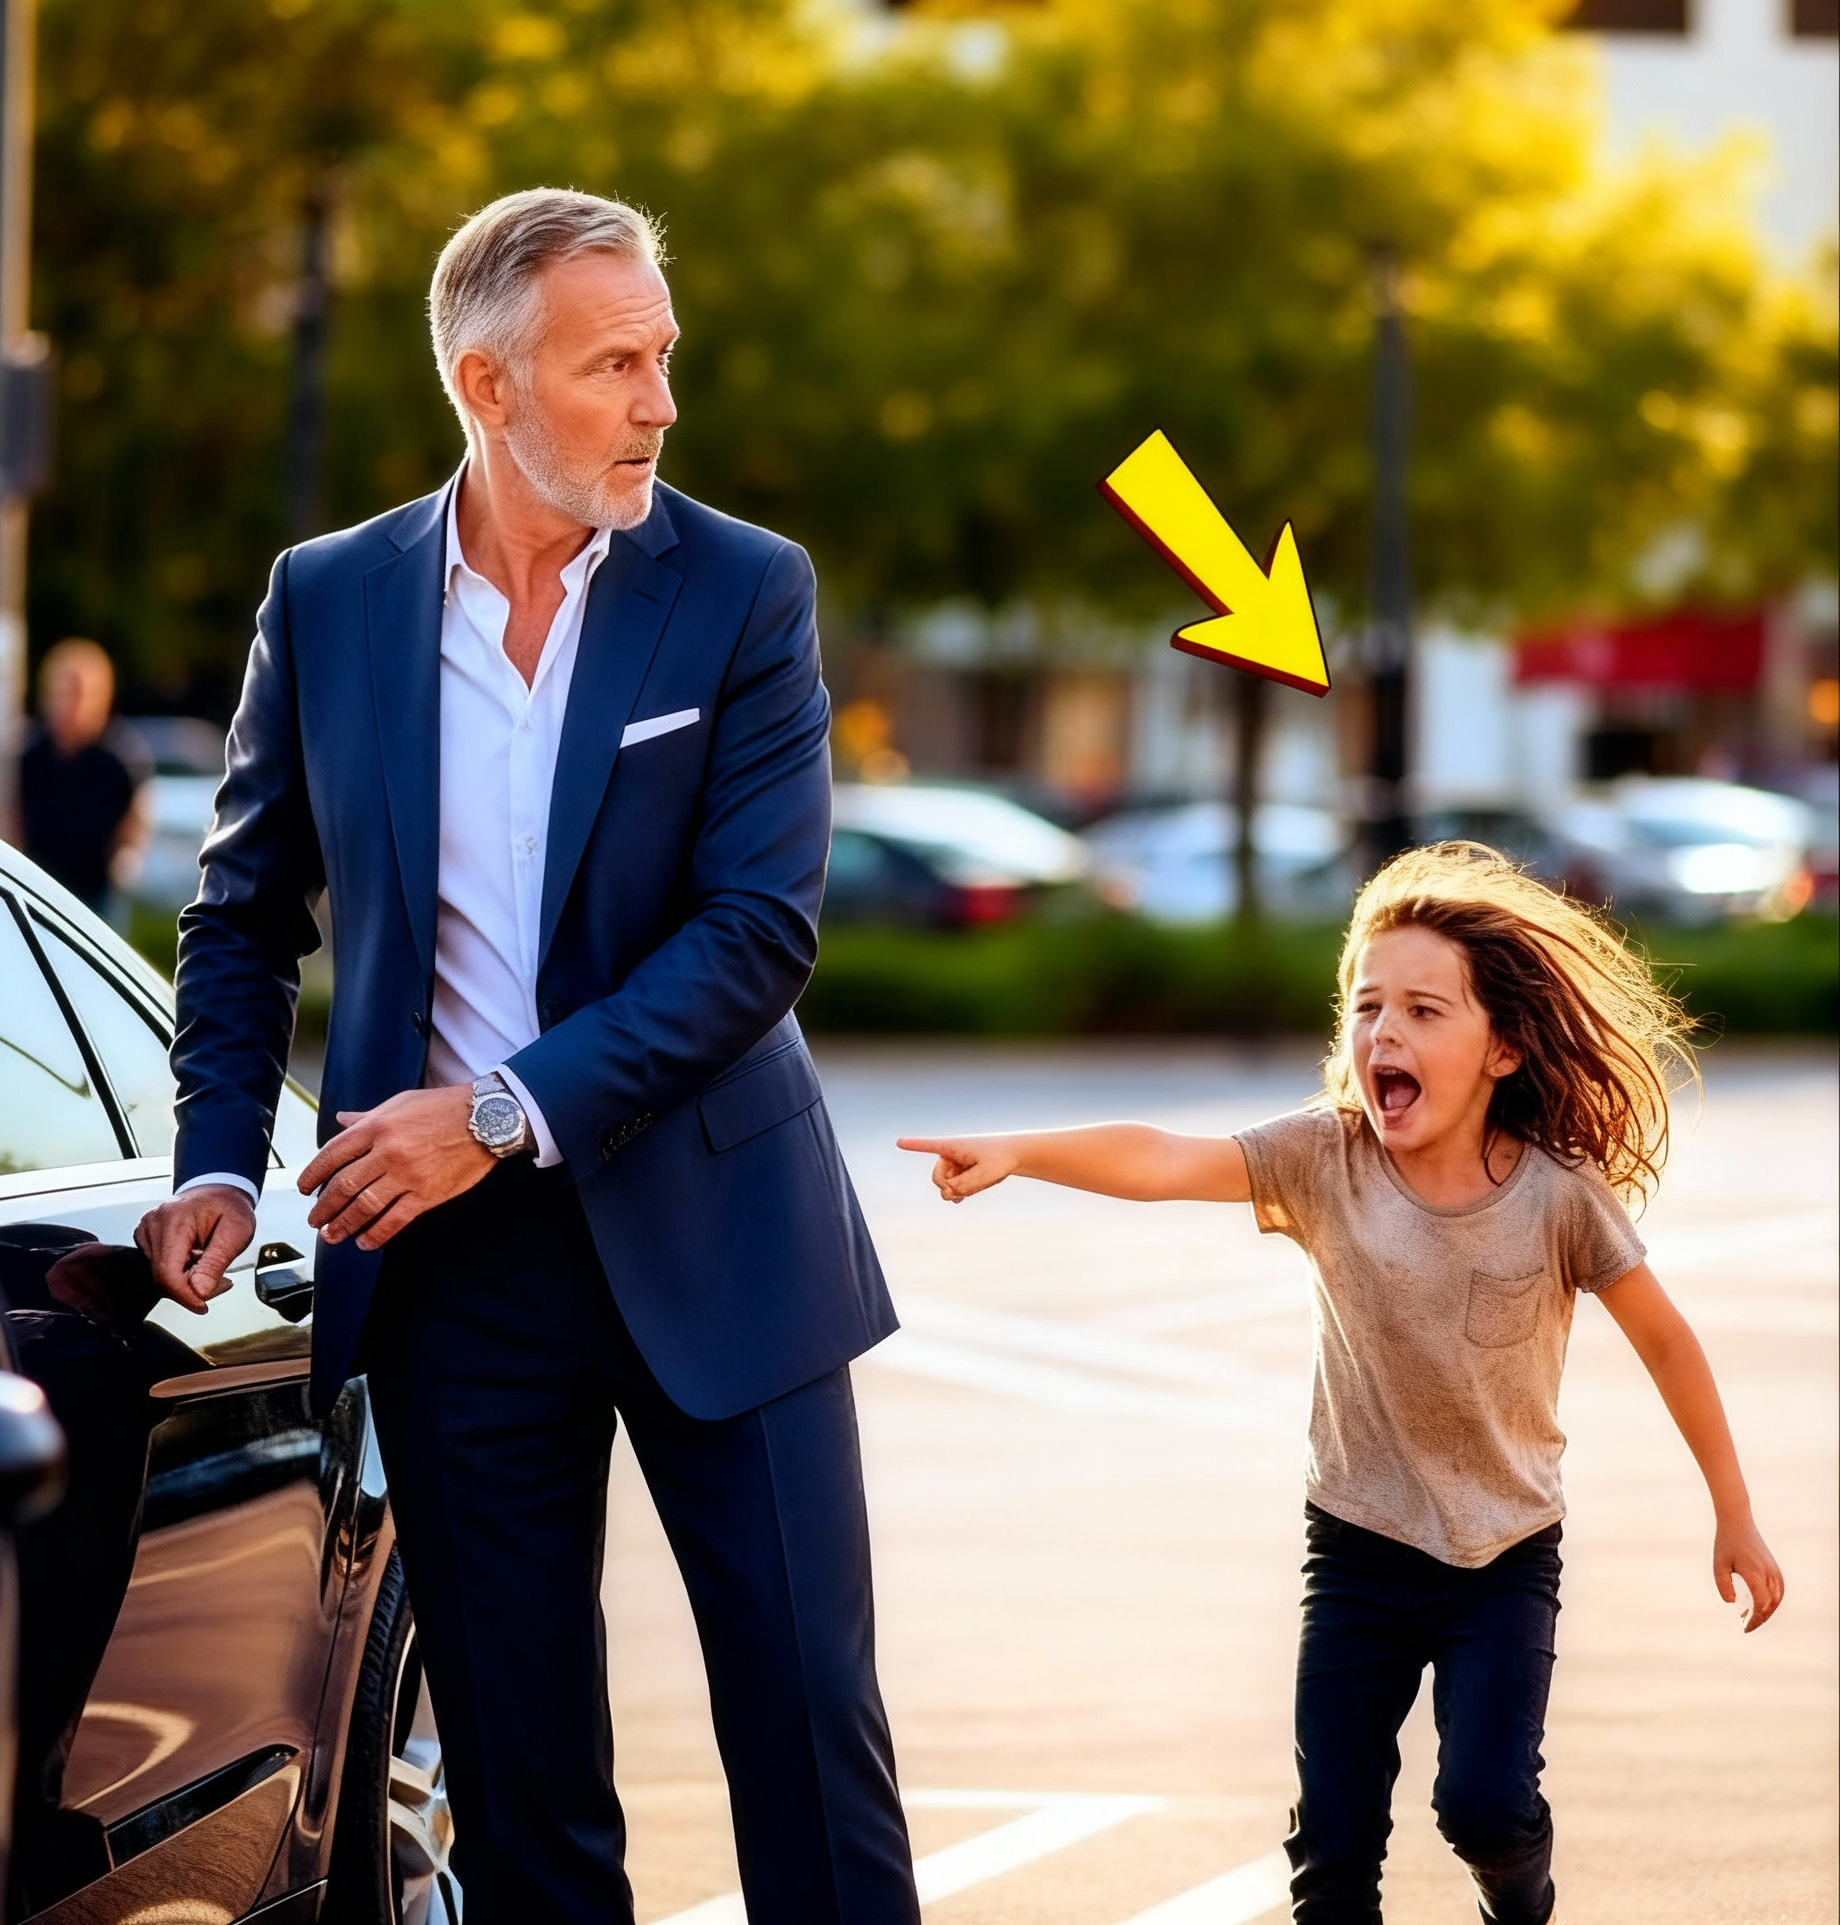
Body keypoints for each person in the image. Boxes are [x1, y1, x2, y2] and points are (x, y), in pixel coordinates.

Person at [133, 189, 918, 1922]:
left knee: (804, 1727)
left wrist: (498, 1111)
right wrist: (214, 1152)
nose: (658, 404)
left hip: (723, 1239)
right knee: (517, 1770)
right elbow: (243, 908)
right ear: (487, 386)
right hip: (453, 1278)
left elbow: (753, 932)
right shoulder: (328, 602)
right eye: (615, 364)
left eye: (662, 359)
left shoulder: (740, 590)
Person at [899, 842, 1784, 1925]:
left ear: (1501, 1047)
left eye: (1422, 1009)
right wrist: (1019, 1150)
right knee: (1331, 1848)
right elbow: (1163, 1157)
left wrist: (1732, 1512)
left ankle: (1522, 1889)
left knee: (1486, 1808)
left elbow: (1666, 1342)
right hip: (1357, 1547)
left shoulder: (1557, 1198)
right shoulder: (1327, 1159)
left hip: (1501, 1556)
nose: (1384, 1032)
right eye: (1366, 1005)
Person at [19, 637, 151, 918]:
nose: (67, 703)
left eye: (77, 692)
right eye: (60, 691)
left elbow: (136, 816)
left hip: (97, 897)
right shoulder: (29, 756)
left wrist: (123, 863)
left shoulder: (119, 757)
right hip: (36, 886)